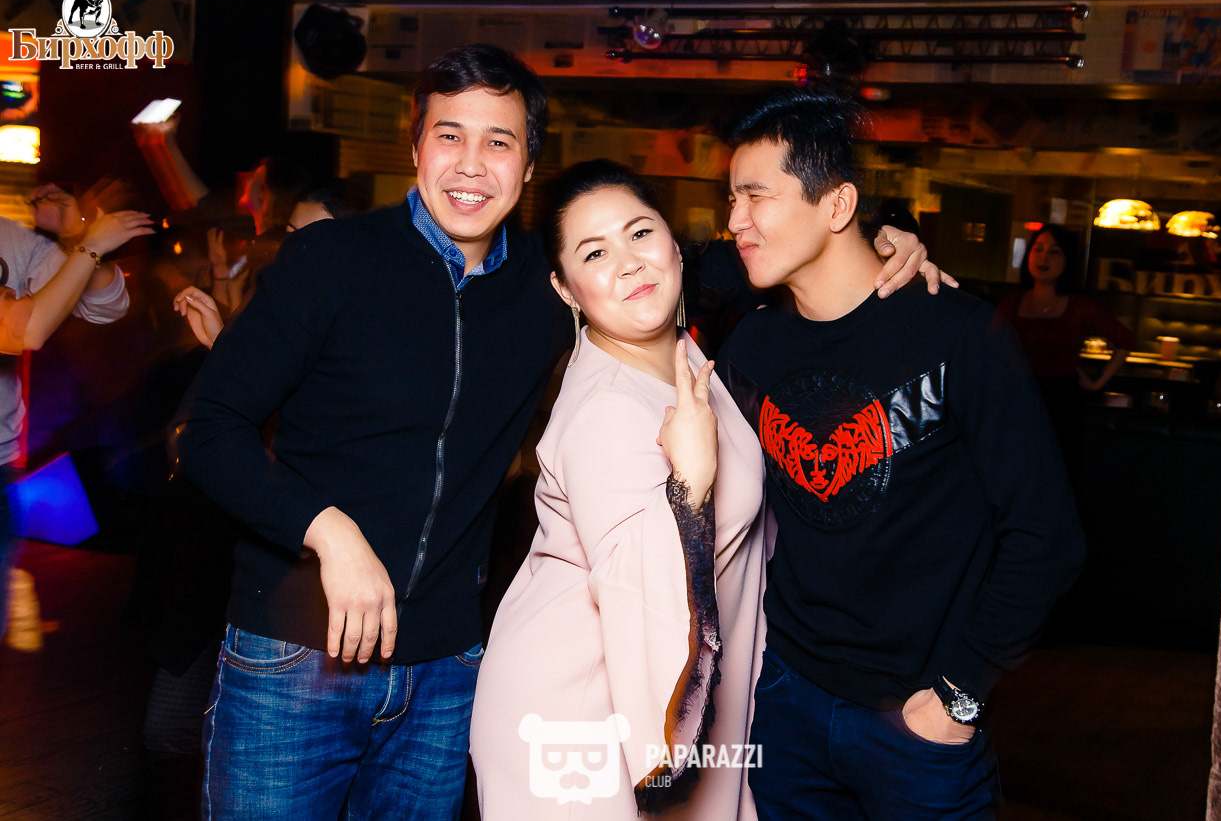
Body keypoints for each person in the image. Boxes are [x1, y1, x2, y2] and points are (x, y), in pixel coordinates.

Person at [179, 44, 936, 820]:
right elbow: (206, 429)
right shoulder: (333, 260)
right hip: (299, 651)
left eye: (499, 141)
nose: (471, 164)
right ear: (415, 146)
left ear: (529, 163)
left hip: (445, 667)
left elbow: (709, 261)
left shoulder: (550, 283)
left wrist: (878, 243)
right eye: (450, 135)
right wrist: (327, 529)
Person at [715, 90, 1086, 819]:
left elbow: (1046, 538)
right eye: (731, 198)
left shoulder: (958, 333)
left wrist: (959, 696)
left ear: (837, 204)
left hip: (918, 724)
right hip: (788, 699)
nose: (735, 220)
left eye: (756, 195)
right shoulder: (753, 346)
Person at [470, 161, 766, 819]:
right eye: (595, 253)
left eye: (639, 233)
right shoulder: (606, 408)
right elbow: (638, 589)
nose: (629, 263)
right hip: (580, 713)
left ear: (673, 241)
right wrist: (689, 483)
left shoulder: (684, 357)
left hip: (651, 704)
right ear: (566, 287)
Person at [0, 186, 151, 638]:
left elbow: (104, 306)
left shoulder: (13, 237)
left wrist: (74, 239)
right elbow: (24, 330)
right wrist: (90, 245)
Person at [995, 224, 1135, 475]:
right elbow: (987, 345)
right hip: (1016, 399)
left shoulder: (1078, 306)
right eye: (1038, 249)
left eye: (1054, 251)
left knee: (1055, 471)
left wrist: (1097, 383)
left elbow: (1126, 339)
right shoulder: (1013, 301)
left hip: (1060, 404)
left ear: (1067, 260)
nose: (1043, 258)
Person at [173, 180, 361, 348]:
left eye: (310, 242)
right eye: (291, 234)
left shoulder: (344, 322)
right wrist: (216, 337)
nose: (294, 249)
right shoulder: (280, 285)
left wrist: (217, 340)